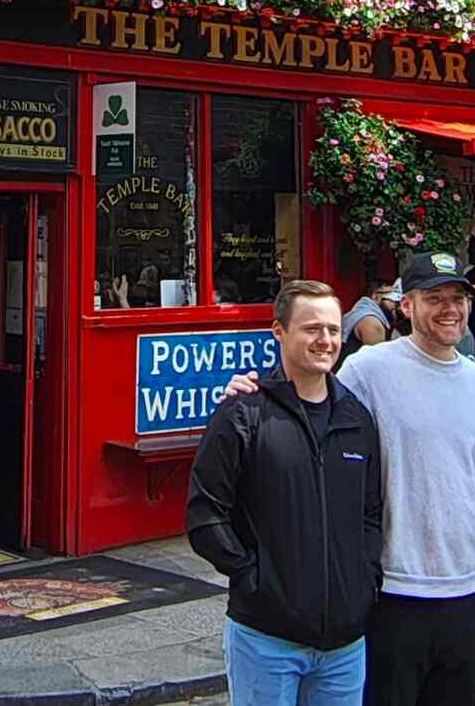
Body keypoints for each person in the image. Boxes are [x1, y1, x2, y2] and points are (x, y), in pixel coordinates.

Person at [224, 250, 475, 706]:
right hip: (394, 589)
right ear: (406, 305)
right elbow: (310, 406)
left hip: (467, 589)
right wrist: (252, 391)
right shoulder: (369, 368)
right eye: (434, 297)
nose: (450, 308)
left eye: (458, 297)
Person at [188, 280, 382, 705]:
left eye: (333, 329)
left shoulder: (356, 418)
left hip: (345, 647)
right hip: (266, 639)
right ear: (279, 331)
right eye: (312, 329)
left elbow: (371, 513)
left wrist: (364, 579)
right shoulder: (244, 412)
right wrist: (253, 577)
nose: (326, 340)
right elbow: (205, 514)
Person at [338, 279, 400, 365]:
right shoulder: (371, 321)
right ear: (375, 296)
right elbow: (377, 363)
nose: (397, 302)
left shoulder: (360, 312)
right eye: (392, 293)